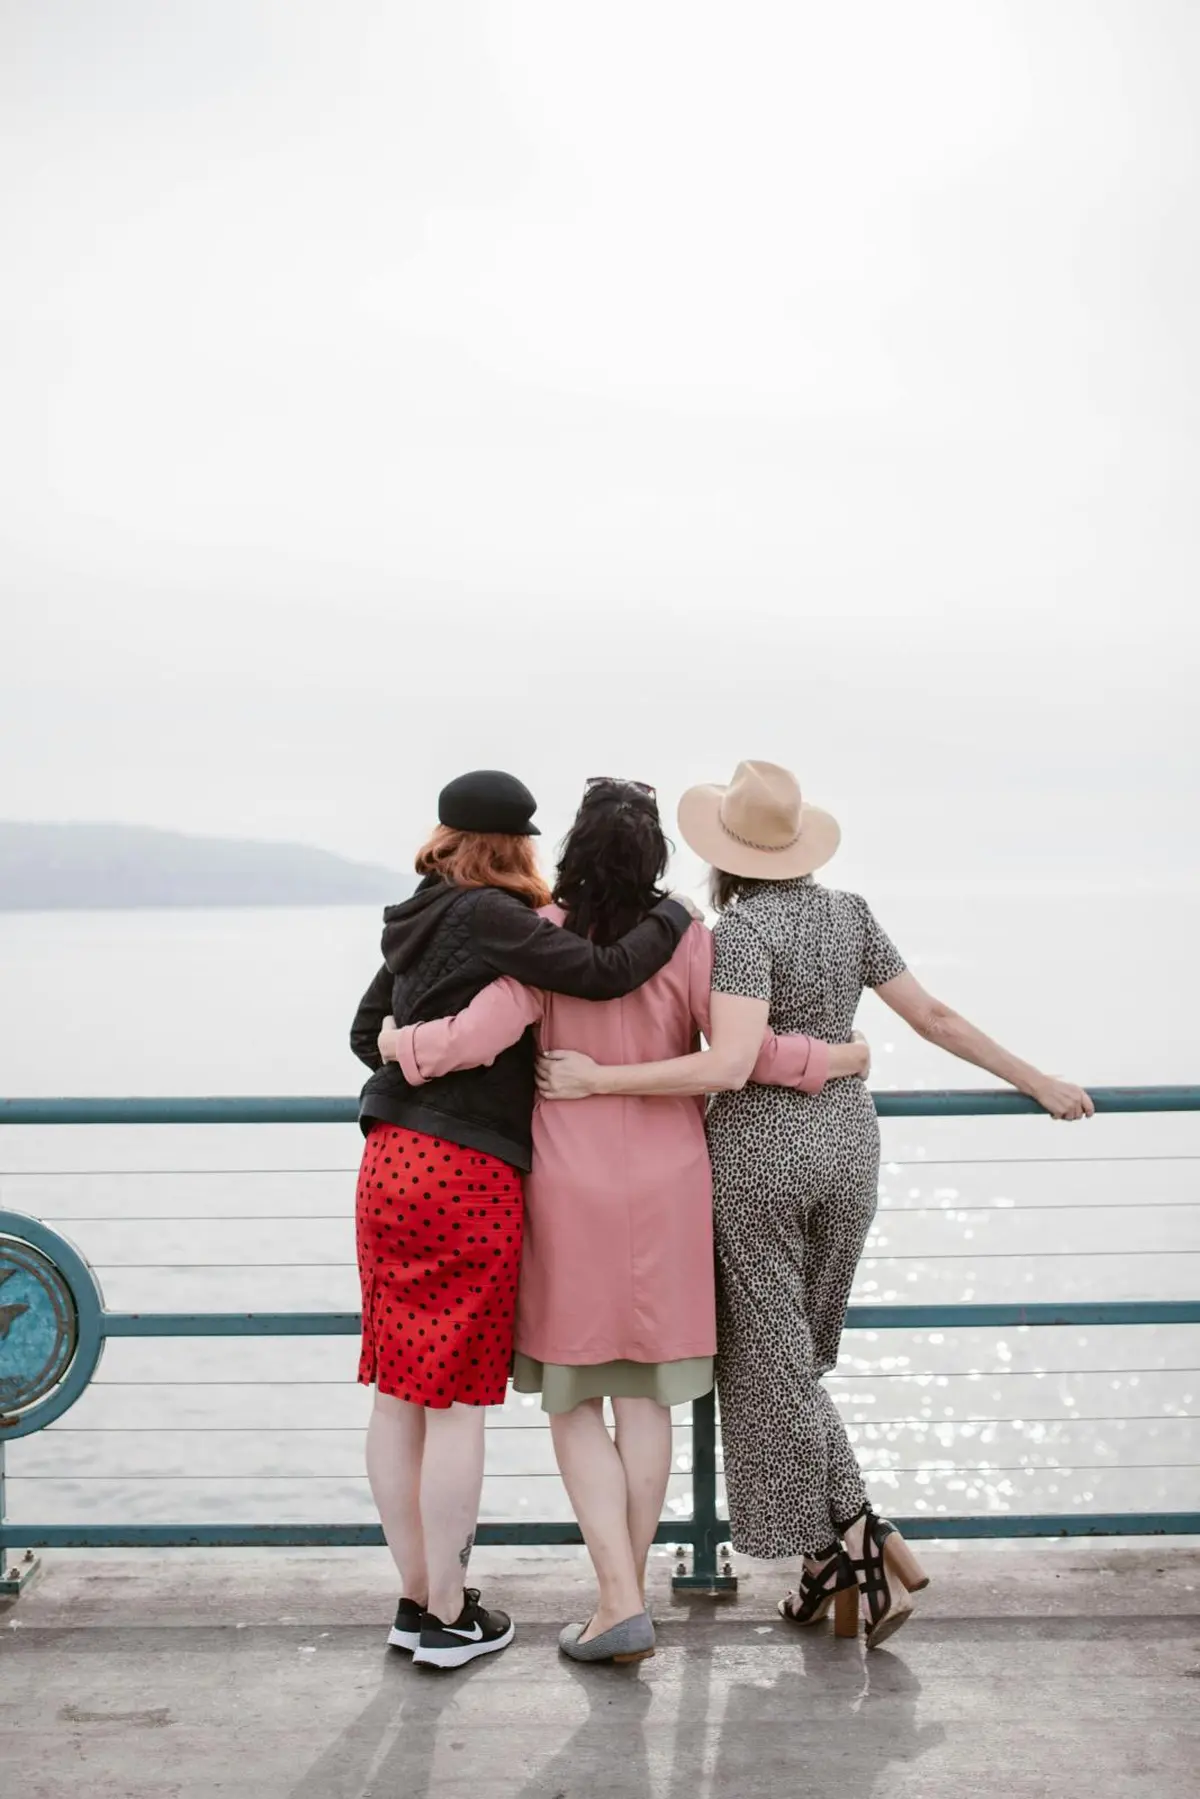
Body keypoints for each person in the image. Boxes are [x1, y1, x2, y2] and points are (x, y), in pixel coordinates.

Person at [539, 759, 1094, 1650]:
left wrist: (598, 1079)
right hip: (849, 1151)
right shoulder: (851, 913)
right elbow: (937, 1016)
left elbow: (730, 1062)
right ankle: (828, 1564)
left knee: (778, 1362)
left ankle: (857, 1541)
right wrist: (1035, 1078)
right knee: (798, 1358)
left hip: (761, 1156)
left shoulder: (741, 930)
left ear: (727, 853)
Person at [377, 777, 870, 1663]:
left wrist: (398, 1045)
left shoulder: (548, 940)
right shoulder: (689, 941)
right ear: (656, 858)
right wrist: (833, 1057)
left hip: (569, 1190)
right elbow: (742, 1053)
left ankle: (618, 1600)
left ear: (571, 848)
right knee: (649, 1403)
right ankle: (620, 1602)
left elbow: (470, 1036)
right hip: (673, 1186)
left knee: (576, 1402)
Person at [348, 768, 697, 1670]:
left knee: (401, 1390)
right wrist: (676, 915)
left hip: (395, 1161)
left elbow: (388, 1031)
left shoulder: (421, 913)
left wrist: (397, 1045)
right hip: (491, 1174)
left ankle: (421, 1603)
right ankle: (472, 1611)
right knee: (474, 1400)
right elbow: (618, 979)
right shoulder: (531, 924)